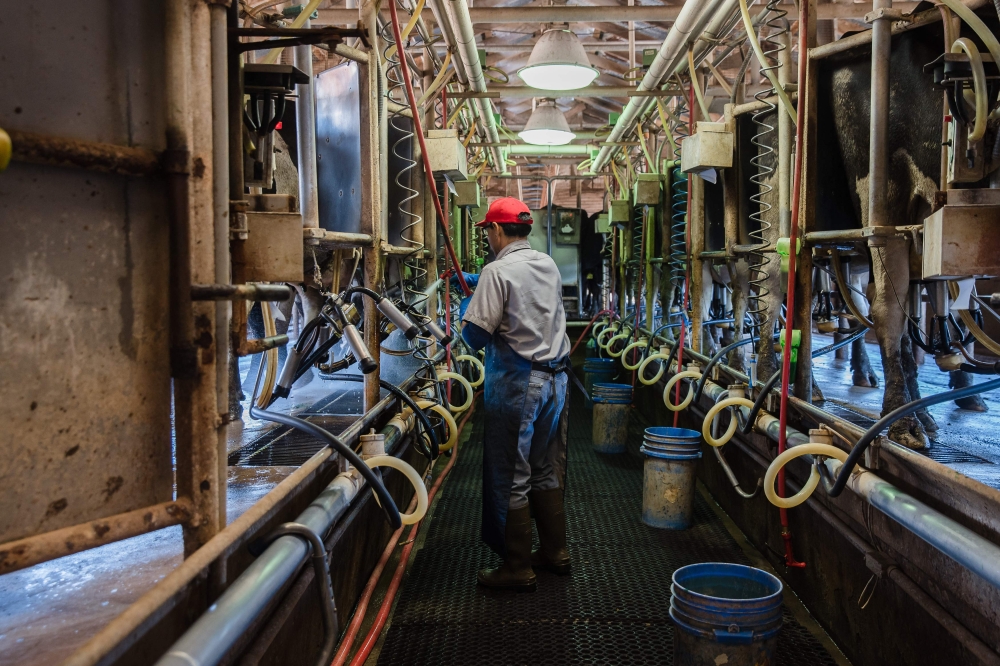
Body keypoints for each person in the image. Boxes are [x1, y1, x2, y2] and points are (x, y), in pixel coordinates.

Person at [456, 197, 571, 593]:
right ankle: (555, 553)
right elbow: (528, 302)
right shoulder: (547, 264)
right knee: (544, 466)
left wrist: (466, 306)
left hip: (520, 383)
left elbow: (475, 335)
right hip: (557, 382)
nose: (488, 237)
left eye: (487, 231)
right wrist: (480, 283)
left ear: (496, 230)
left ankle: (518, 566)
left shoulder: (497, 271)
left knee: (512, 474)